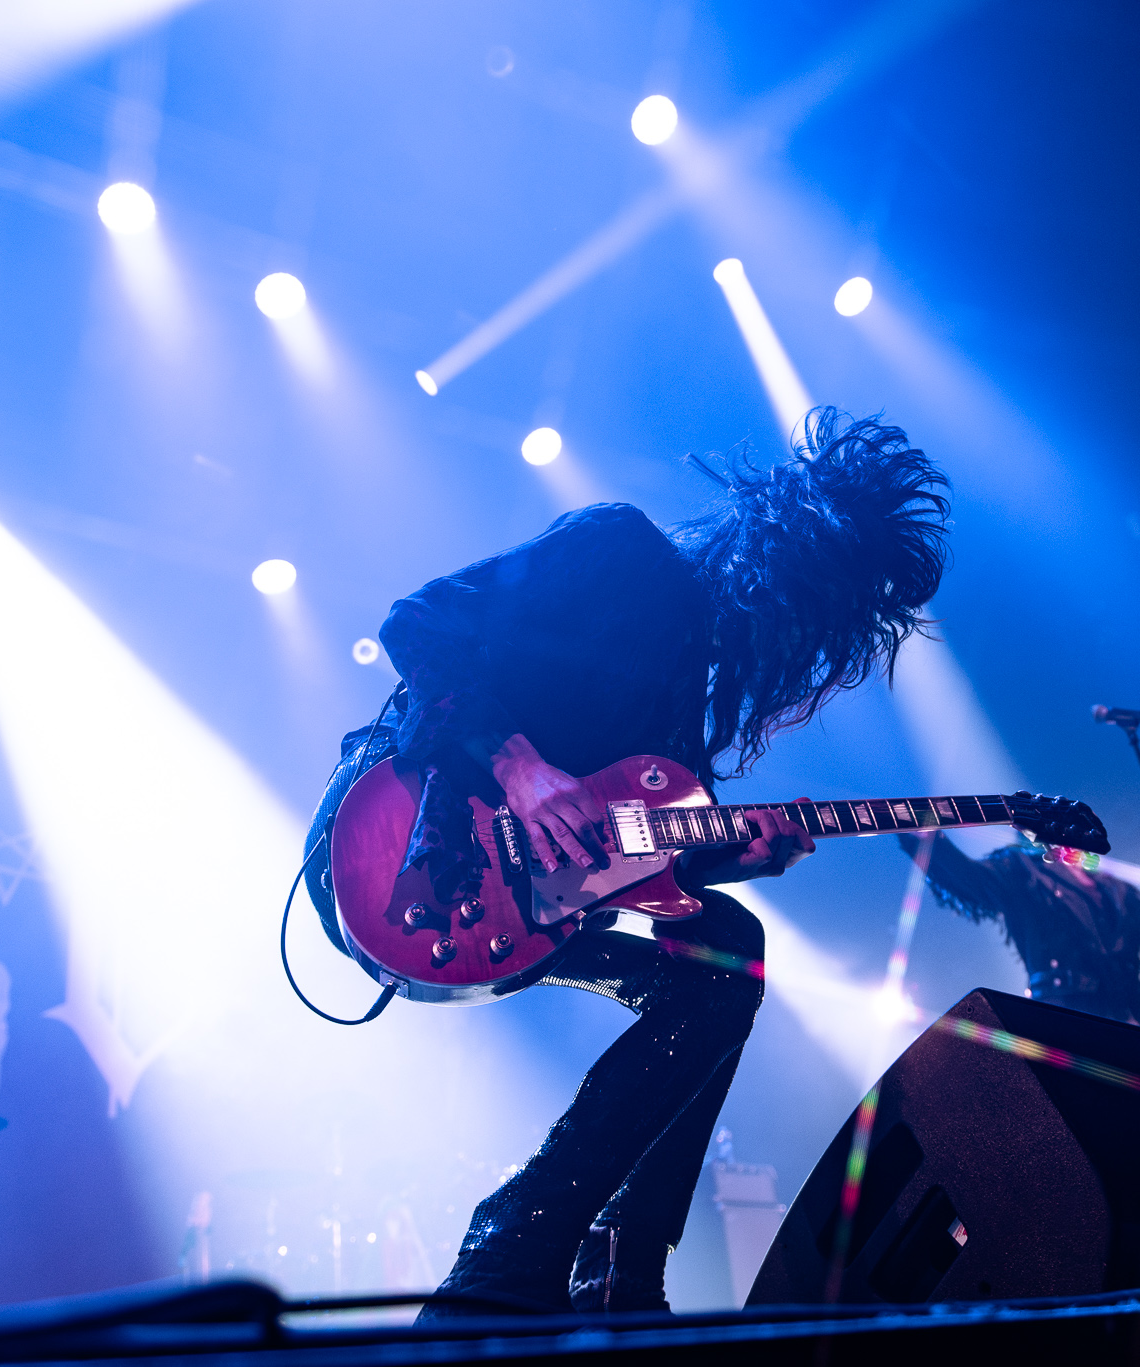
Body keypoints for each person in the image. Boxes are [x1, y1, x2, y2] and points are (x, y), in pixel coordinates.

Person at [304, 408, 950, 1317]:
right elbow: (418, 625)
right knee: (726, 959)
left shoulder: (683, 715)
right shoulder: (619, 552)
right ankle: (516, 1251)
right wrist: (518, 765)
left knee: (725, 953)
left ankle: (613, 1261)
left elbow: (627, 857)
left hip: (514, 909)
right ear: (784, 574)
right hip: (401, 843)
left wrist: (738, 860)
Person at [897, 832, 1140, 1029]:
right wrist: (929, 845)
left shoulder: (1115, 889)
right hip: (1065, 1015)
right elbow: (969, 883)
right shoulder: (1022, 870)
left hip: (1128, 1017)